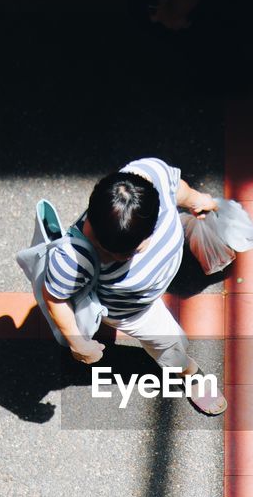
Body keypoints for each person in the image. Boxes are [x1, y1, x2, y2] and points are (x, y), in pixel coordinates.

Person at [40, 157, 228, 416]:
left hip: (150, 289)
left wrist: (196, 200)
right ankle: (189, 372)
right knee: (170, 343)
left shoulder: (146, 175)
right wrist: (77, 342)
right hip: (132, 311)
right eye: (114, 254)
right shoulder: (72, 259)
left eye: (133, 250)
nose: (124, 258)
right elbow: (54, 296)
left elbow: (178, 189)